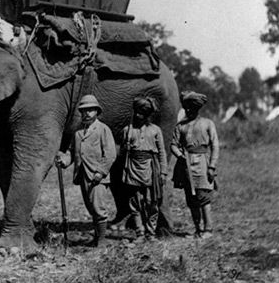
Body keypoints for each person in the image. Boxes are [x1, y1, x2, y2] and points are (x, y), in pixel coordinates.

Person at [55, 94, 116, 247]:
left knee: (98, 208)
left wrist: (100, 172)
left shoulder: (103, 129)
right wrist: (64, 160)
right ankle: (96, 237)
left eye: (90, 110)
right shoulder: (77, 131)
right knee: (91, 207)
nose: (87, 113)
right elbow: (71, 152)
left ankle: (102, 240)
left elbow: (110, 154)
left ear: (97, 111)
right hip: (83, 175)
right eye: (83, 110)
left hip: (97, 176)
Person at [115, 97, 168, 239]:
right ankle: (140, 232)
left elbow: (162, 151)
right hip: (133, 169)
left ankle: (151, 232)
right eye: (137, 112)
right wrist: (125, 148)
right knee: (135, 203)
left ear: (147, 115)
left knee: (151, 202)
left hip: (151, 169)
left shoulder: (155, 130)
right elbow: (121, 153)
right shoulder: (128, 130)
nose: (139, 116)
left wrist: (163, 171)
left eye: (142, 114)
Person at [171, 91, 220, 239]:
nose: (188, 111)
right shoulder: (181, 126)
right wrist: (180, 156)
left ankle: (208, 229)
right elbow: (173, 144)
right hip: (186, 165)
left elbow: (215, 145)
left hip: (203, 164)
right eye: (186, 108)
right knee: (191, 198)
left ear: (197, 109)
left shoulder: (207, 123)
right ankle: (197, 229)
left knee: (203, 196)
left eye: (191, 108)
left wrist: (212, 166)